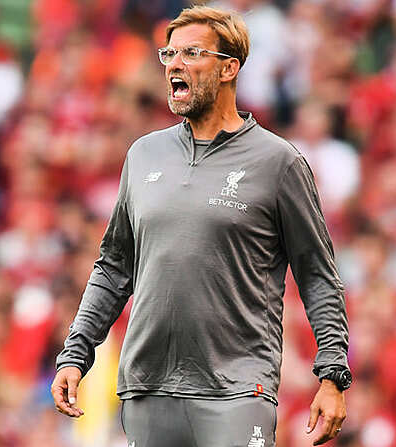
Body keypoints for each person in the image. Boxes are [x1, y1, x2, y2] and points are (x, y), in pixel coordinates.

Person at [51, 6, 351, 446]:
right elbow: (113, 268)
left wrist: (332, 375)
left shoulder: (278, 162)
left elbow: (319, 276)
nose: (174, 63)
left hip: (236, 390)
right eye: (168, 53)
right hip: (147, 388)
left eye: (191, 53)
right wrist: (76, 354)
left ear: (229, 67)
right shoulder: (143, 156)